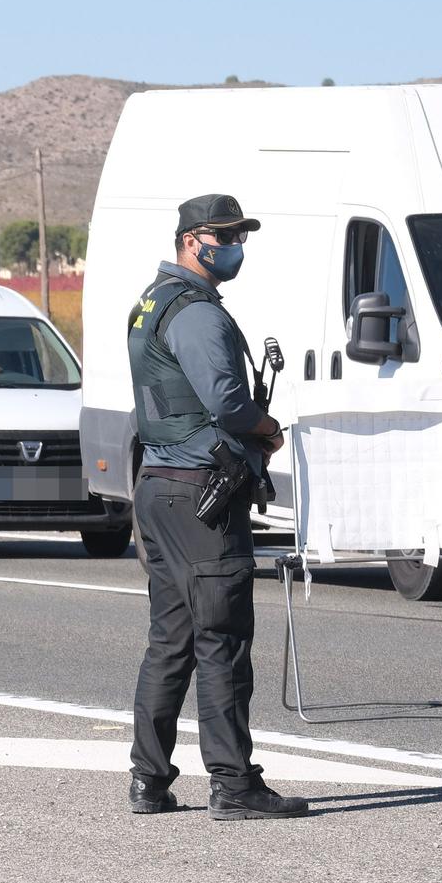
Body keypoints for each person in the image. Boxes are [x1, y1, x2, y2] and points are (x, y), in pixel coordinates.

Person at [126, 193, 308, 821]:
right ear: (191, 241)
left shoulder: (152, 302)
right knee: (221, 640)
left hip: (160, 485)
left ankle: (149, 781)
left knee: (171, 638)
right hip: (200, 492)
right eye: (224, 235)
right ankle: (234, 785)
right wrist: (266, 427)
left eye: (240, 235)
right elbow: (227, 401)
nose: (235, 246)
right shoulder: (197, 313)